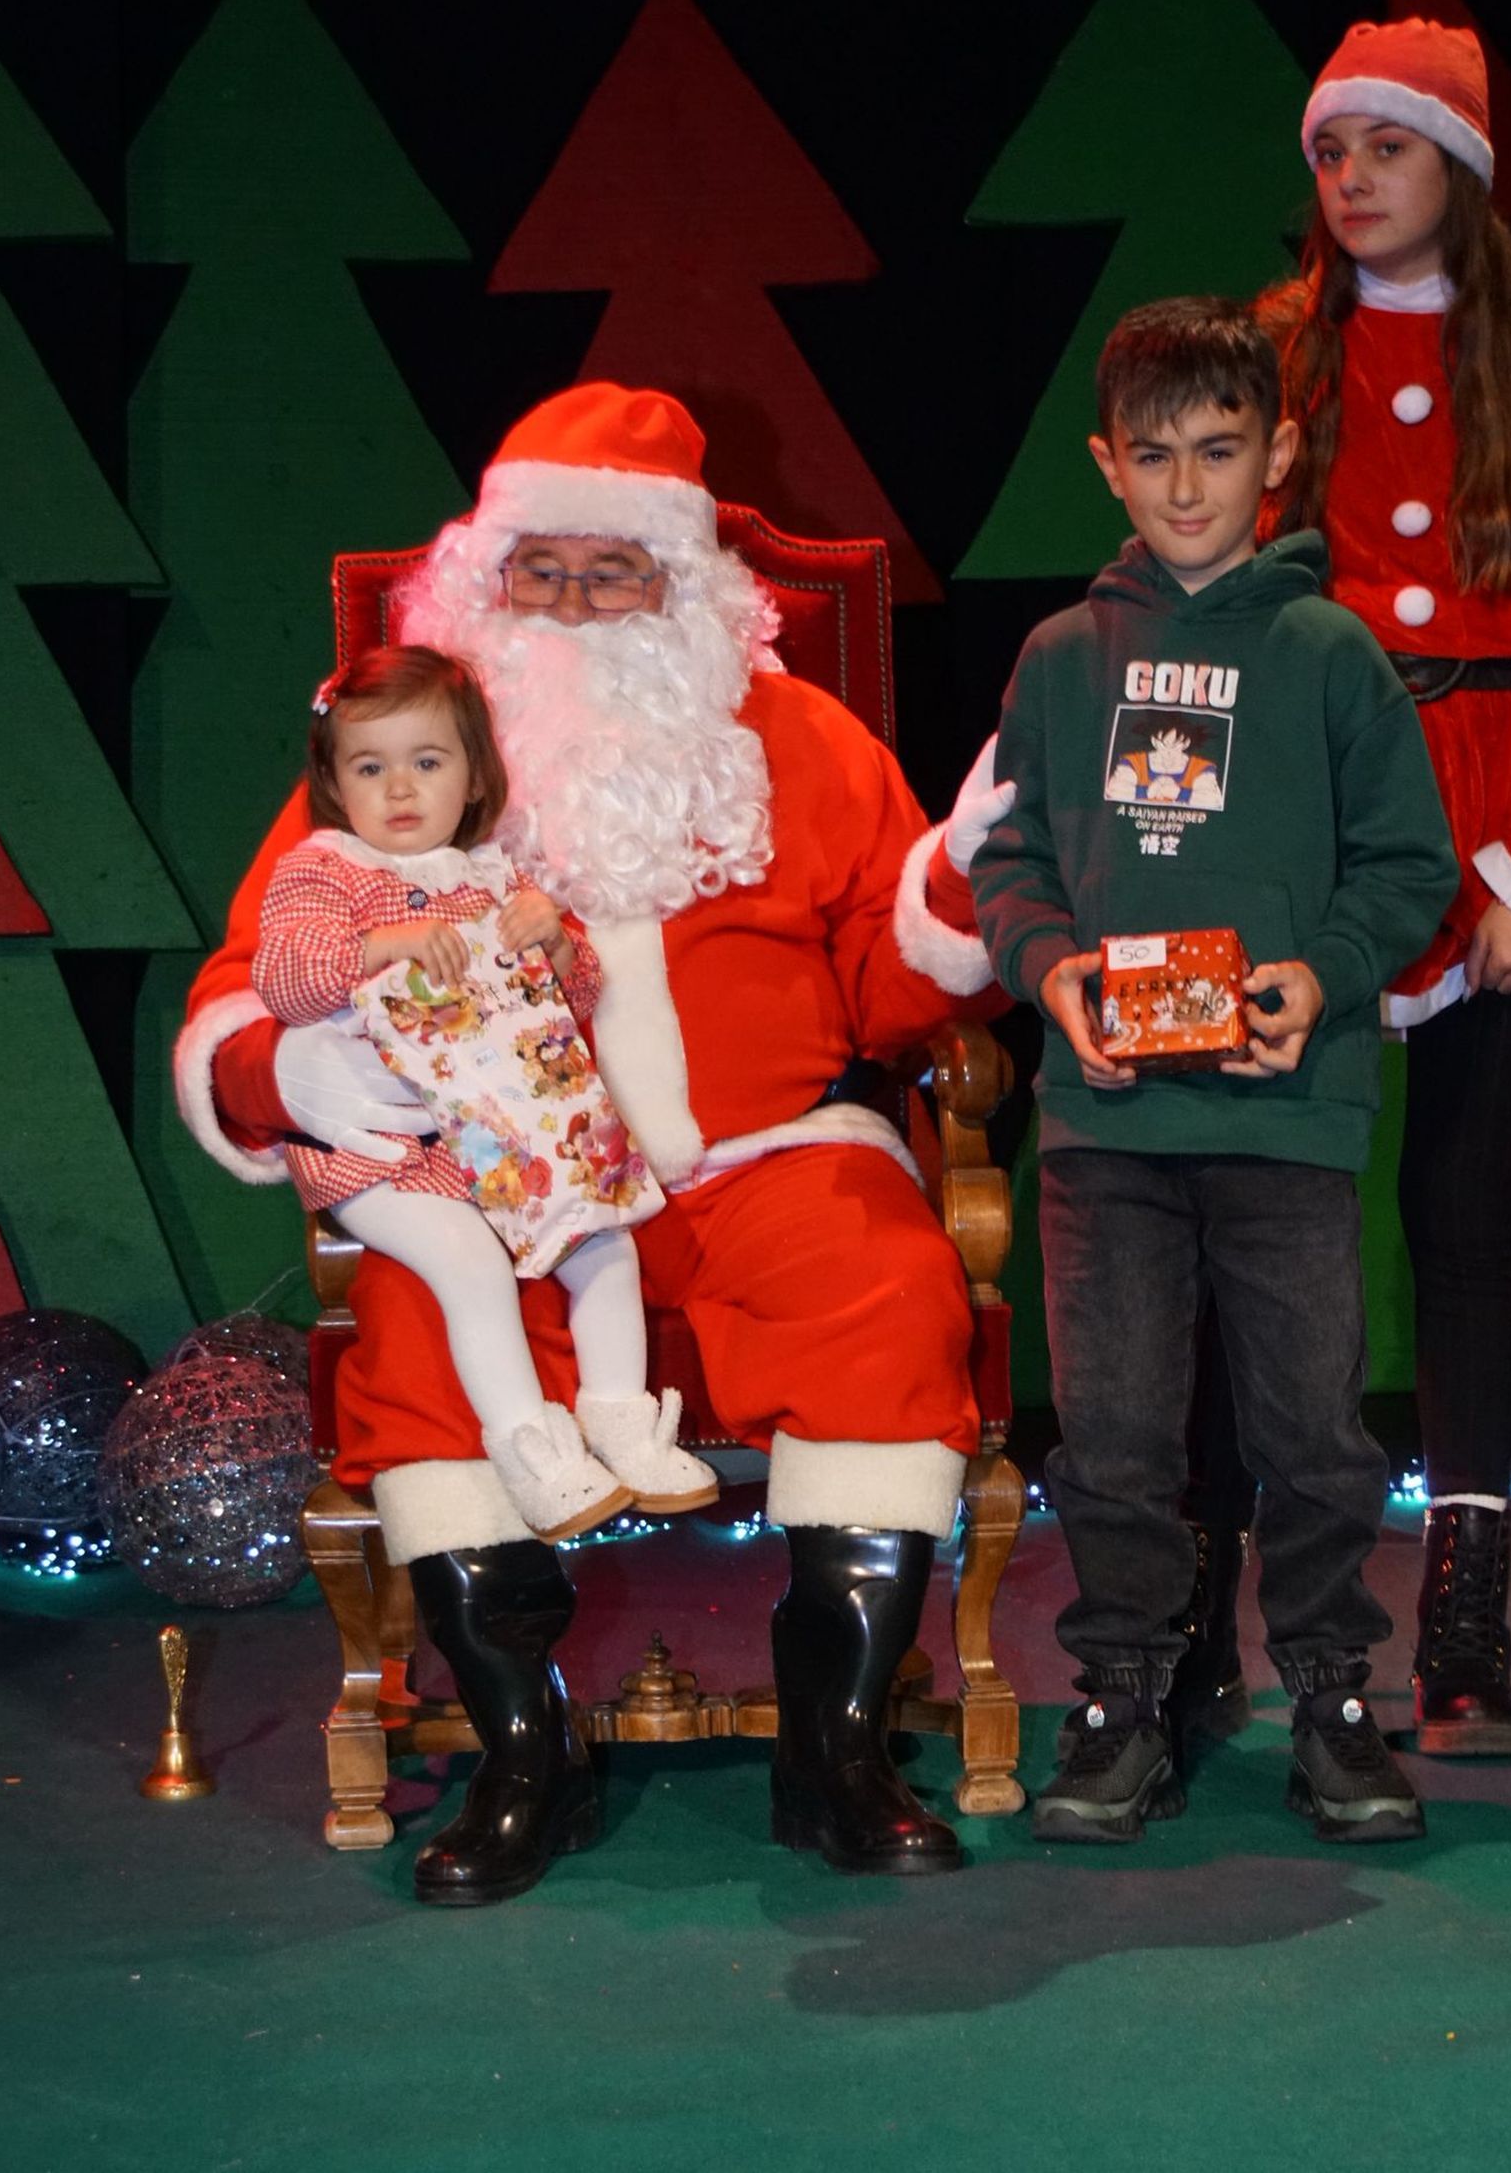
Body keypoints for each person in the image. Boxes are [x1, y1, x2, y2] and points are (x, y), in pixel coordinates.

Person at [175, 381, 1007, 1901]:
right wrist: (282, 1065)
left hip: (770, 1155)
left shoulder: (806, 742)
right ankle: (522, 1751)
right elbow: (247, 976)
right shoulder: (405, 755)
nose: (570, 603)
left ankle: (835, 1747)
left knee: (888, 1281)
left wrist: (954, 898)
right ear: (483, 580)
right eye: (538, 570)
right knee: (424, 1323)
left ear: (682, 587)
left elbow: (898, 1000)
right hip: (499, 1182)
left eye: (609, 570)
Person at [971, 297, 1457, 1845]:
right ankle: (1123, 1693)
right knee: (1110, 1430)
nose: (1190, 488)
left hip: (1287, 1114)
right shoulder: (1058, 657)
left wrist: (1319, 972)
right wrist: (1052, 971)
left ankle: (1331, 1689)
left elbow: (1407, 864)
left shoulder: (1331, 650)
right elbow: (1013, 859)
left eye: (1223, 452)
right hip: (1107, 1121)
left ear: (1282, 453)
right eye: (1159, 457)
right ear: (1109, 465)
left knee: (1313, 1425)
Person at [1255, 18, 1511, 1755]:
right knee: (1292, 1224)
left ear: (1455, 166)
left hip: (1498, 829)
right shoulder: (1278, 355)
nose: (1356, 178)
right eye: (1332, 152)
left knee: (1465, 1226)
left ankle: (1465, 1620)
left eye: (1386, 147)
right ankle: (1301, 1611)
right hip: (1320, 819)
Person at [252, 642, 717, 1540]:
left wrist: (557, 945)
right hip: (386, 1151)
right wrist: (376, 949)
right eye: (370, 767)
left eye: (426, 763)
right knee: (469, 1265)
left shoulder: (495, 879)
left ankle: (621, 1420)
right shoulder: (325, 870)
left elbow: (567, 1009)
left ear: (472, 777)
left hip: (511, 1136)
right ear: (333, 780)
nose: (399, 790)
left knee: (606, 1241)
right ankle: (530, 1450)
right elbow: (285, 980)